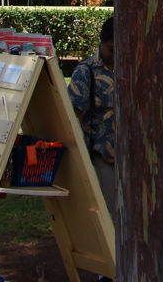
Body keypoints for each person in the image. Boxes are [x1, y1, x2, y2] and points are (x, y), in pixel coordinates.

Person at [68, 17, 115, 221]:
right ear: (102, 43)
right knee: (110, 217)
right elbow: (74, 119)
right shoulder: (85, 72)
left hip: (132, 158)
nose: (116, 54)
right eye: (112, 49)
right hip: (102, 156)